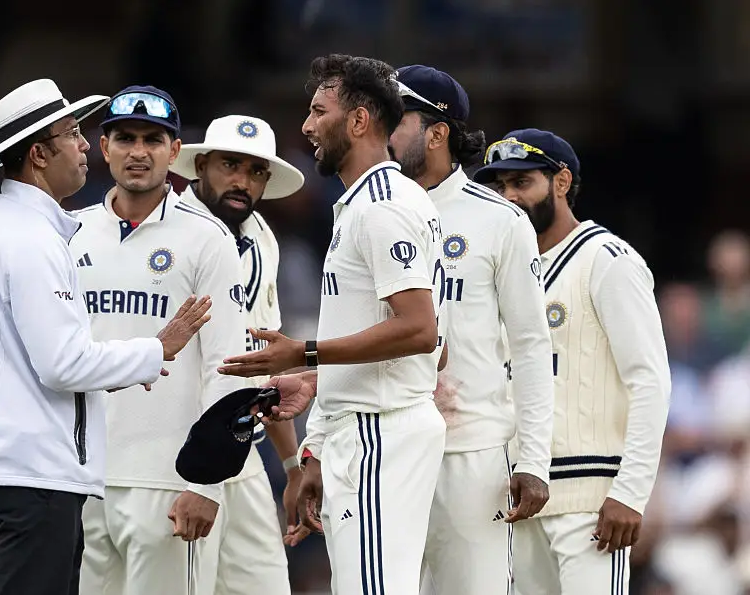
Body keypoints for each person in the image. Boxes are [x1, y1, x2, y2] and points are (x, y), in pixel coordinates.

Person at [0, 79, 212, 595]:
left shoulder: (4, 228)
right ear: (37, 155)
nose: (83, 145)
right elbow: (62, 365)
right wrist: (156, 349)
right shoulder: (31, 240)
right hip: (34, 473)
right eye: (71, 133)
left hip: (11, 469)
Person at [219, 54, 447, 595]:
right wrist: (316, 436)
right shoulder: (361, 206)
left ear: (359, 120)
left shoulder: (383, 207)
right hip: (362, 426)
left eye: (319, 111)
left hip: (380, 429)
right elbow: (396, 336)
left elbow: (421, 331)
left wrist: (303, 354)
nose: (306, 126)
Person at [472, 128, 671, 594]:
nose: (508, 197)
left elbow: (651, 382)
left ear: (561, 182)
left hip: (591, 501)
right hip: (520, 497)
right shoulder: (503, 270)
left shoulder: (607, 259)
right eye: (498, 187)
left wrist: (629, 491)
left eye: (521, 183)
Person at [70, 85, 247, 595]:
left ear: (175, 153)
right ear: (104, 149)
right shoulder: (70, 233)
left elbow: (227, 366)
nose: (138, 151)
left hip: (168, 480)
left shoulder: (207, 238)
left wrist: (205, 482)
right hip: (81, 478)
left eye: (153, 139)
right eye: (125, 138)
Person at [388, 66, 555, 594]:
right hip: (386, 446)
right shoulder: (369, 211)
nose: (380, 132)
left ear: (437, 133)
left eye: (396, 119)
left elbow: (531, 345)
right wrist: (317, 446)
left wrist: (533, 459)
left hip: (473, 453)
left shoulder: (499, 219)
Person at [170, 114, 305, 595]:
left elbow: (268, 361)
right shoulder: (170, 230)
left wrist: (291, 466)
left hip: (241, 447)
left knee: (266, 585)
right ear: (200, 165)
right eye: (230, 165)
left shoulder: (261, 236)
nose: (242, 182)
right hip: (176, 451)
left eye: (256, 172)